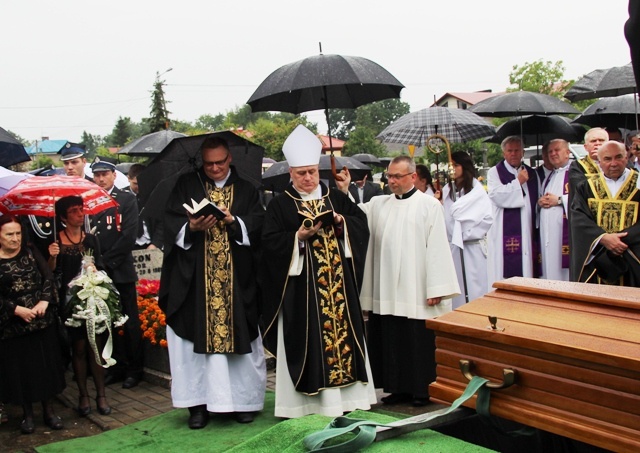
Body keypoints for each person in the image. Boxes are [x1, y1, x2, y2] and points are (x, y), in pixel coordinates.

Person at [261, 125, 375, 418]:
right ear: (291, 174)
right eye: (301, 173)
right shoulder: (279, 204)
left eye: (312, 171)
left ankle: (347, 402)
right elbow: (269, 245)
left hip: (340, 289)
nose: (308, 178)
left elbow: (360, 225)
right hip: (302, 295)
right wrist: (297, 237)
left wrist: (340, 223)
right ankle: (305, 406)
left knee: (345, 341)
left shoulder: (335, 197)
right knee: (309, 344)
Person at [159, 136, 266, 428]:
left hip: (237, 280)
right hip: (195, 282)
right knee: (193, 344)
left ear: (229, 158)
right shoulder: (185, 185)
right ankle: (198, 406)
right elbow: (169, 224)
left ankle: (242, 402)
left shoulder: (247, 189)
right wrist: (190, 227)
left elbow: (259, 224)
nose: (215, 168)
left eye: (220, 162)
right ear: (202, 161)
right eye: (209, 164)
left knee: (240, 341)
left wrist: (235, 222)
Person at [338, 155, 459, 407]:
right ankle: (396, 388)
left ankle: (421, 390)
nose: (391, 181)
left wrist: (436, 286)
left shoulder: (429, 205)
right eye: (389, 176)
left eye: (397, 176)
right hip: (386, 286)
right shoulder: (378, 204)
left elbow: (437, 247)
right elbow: (353, 219)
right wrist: (344, 190)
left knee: (416, 339)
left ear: (412, 177)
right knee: (391, 336)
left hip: (417, 286)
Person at [0, 216, 66, 434]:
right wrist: (15, 310)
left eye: (18, 233)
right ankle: (27, 414)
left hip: (40, 319)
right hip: (14, 325)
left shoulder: (30, 250)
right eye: (9, 234)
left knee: (45, 366)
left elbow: (47, 276)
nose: (15, 238)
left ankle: (49, 412)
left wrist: (44, 301)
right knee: (22, 370)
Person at [47, 196, 112, 417]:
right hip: (70, 301)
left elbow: (102, 266)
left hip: (91, 297)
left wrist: (94, 268)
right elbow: (51, 273)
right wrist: (52, 257)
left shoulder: (91, 240)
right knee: (79, 348)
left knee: (96, 346)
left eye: (80, 209)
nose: (79, 214)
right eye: (73, 211)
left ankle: (101, 394)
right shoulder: (57, 240)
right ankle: (83, 395)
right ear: (64, 217)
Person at [90, 157, 143, 389]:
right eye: (97, 175)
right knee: (108, 321)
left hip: (119, 270)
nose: (100, 179)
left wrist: (105, 262)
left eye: (105, 174)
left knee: (129, 322)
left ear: (113, 175)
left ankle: (135, 369)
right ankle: (117, 366)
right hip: (99, 273)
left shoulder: (126, 199)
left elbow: (129, 236)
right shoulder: (90, 201)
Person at [570, 141, 640, 286]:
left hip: (632, 256)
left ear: (627, 157)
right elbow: (578, 218)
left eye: (618, 157)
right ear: (599, 162)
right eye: (607, 159)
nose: (613, 163)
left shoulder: (638, 183)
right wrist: (603, 238)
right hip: (599, 258)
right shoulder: (586, 187)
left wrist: (621, 241)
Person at [487, 136, 541, 286]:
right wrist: (518, 182)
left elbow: (537, 197)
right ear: (504, 153)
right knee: (506, 267)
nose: (513, 154)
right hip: (503, 230)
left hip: (528, 230)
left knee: (527, 267)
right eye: (509, 150)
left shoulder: (532, 173)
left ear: (523, 152)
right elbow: (496, 196)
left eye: (517, 150)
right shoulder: (494, 172)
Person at [442, 151, 493, 309]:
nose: (453, 169)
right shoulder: (447, 190)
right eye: (451, 165)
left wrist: (465, 232)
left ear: (464, 166)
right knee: (457, 288)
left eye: (456, 165)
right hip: (454, 248)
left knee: (474, 287)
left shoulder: (476, 191)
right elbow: (446, 217)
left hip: (473, 247)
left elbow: (487, 217)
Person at [537, 139, 572, 281]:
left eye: (557, 150)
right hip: (548, 235)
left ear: (567, 153)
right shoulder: (551, 175)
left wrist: (559, 200)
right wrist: (540, 202)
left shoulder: (575, 172)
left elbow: (582, 200)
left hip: (564, 235)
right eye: (550, 151)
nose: (553, 153)